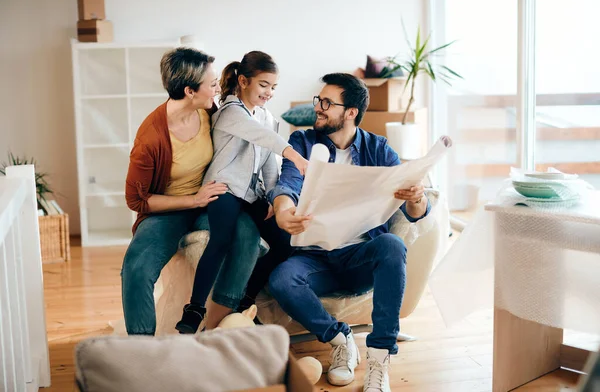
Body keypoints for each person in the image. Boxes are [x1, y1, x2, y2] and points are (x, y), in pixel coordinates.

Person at [266, 73, 431, 392]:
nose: (318, 108)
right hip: (317, 260)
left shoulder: (379, 149)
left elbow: (415, 214)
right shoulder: (302, 143)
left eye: (327, 103)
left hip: (361, 257)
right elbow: (288, 183)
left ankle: (380, 358)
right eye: (318, 100)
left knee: (392, 245)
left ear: (351, 112)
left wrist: (417, 197)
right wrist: (284, 209)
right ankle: (340, 339)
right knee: (282, 280)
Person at [122, 47, 262, 336]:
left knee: (247, 233)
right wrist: (192, 199)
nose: (217, 89)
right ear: (189, 90)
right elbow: (136, 199)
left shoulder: (208, 110)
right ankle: (141, 348)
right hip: (168, 210)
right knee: (136, 267)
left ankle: (221, 321)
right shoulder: (150, 139)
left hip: (209, 202)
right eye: (211, 85)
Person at [175, 51, 309, 333]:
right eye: (263, 85)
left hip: (251, 195)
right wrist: (294, 155)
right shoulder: (230, 112)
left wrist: (274, 196)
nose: (269, 92)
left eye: (273, 87)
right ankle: (195, 308)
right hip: (223, 188)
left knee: (287, 243)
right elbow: (261, 137)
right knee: (221, 239)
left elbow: (269, 163)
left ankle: (246, 300)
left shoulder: (267, 117)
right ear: (244, 81)